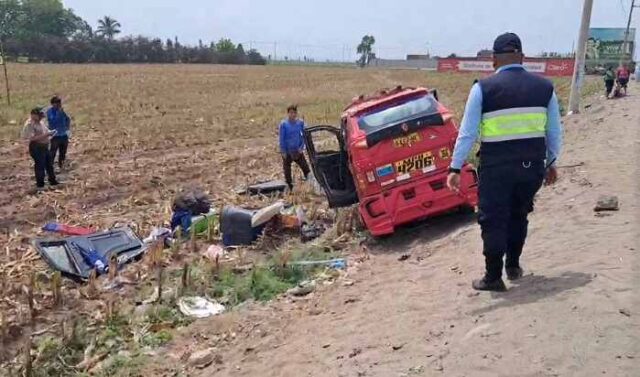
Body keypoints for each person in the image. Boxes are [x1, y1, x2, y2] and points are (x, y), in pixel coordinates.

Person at [447, 32, 563, 292]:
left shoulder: (483, 89)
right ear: (522, 58)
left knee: (493, 218)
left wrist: (455, 167)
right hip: (531, 167)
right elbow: (554, 132)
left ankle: (493, 277)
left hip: (496, 168)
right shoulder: (545, 88)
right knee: (519, 214)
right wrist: (551, 163)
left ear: (493, 61)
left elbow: (467, 133)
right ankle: (513, 266)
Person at [22, 108, 59, 190]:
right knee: (40, 166)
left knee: (49, 164)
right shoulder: (29, 125)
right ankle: (40, 185)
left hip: (44, 147)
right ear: (34, 115)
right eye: (39, 116)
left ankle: (53, 181)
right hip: (36, 147)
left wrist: (51, 132)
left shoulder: (41, 122)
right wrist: (47, 135)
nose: (41, 118)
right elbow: (32, 138)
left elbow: (46, 131)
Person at [279, 104, 310, 190]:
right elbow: (282, 139)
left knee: (306, 168)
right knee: (287, 170)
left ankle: (310, 183)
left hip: (298, 150)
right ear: (288, 113)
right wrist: (283, 151)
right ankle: (290, 186)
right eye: (290, 113)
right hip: (288, 151)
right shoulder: (284, 124)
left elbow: (304, 135)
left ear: (296, 114)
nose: (292, 115)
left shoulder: (300, 123)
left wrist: (301, 147)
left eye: (294, 113)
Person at [46, 96, 71, 170]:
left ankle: (61, 165)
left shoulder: (62, 111)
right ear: (52, 104)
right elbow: (53, 121)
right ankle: (49, 166)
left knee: (63, 152)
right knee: (53, 152)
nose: (58, 105)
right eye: (56, 104)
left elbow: (67, 118)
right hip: (55, 135)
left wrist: (67, 127)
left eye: (59, 103)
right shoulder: (50, 112)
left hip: (63, 135)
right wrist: (59, 113)